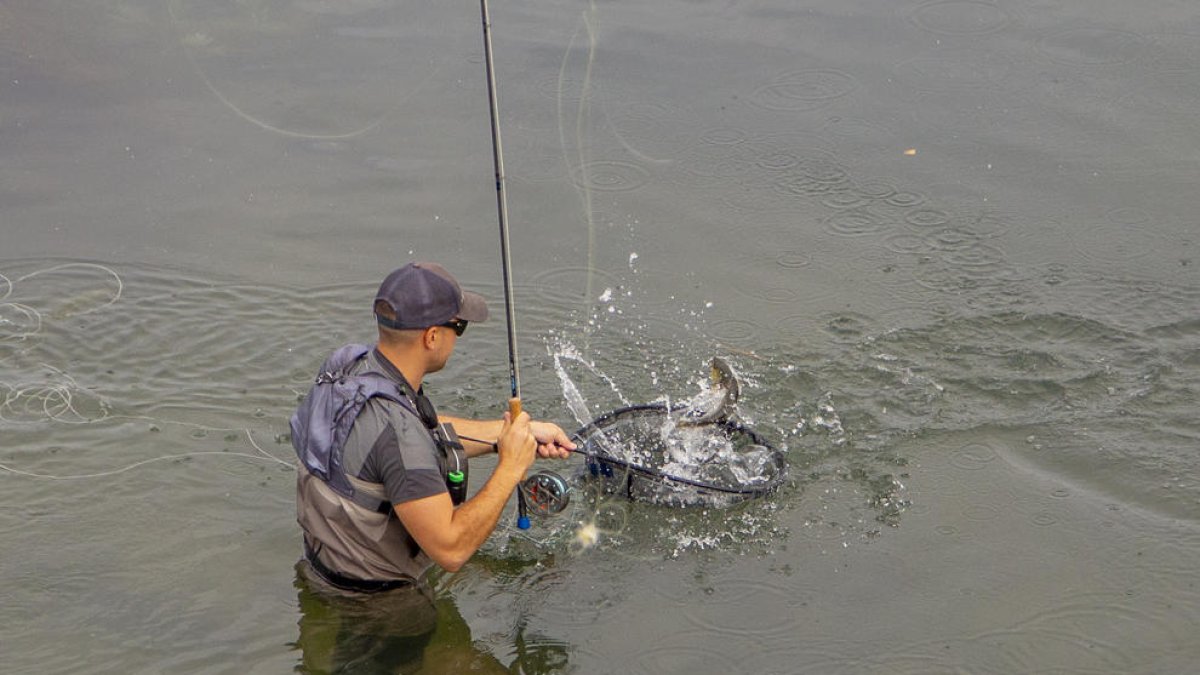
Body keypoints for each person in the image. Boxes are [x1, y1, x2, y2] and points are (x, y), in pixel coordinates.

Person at [291, 261, 575, 670]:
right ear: (431, 336)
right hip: (385, 612)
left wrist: (502, 437)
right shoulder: (400, 436)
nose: (457, 339)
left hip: (322, 572)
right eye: (458, 328)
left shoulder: (346, 368)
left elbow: (416, 432)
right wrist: (511, 466)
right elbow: (451, 548)